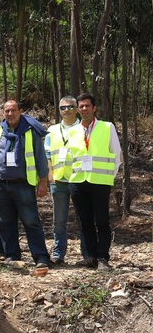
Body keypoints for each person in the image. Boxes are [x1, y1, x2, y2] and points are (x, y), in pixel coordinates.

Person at [0, 100, 52, 268]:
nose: (10, 114)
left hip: (23, 185)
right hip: (0, 184)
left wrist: (43, 181)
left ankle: (41, 257)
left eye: (13, 110)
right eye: (6, 111)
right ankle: (12, 255)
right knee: (5, 222)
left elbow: (40, 157)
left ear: (20, 111)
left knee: (31, 222)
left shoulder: (30, 131)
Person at [69, 92, 122, 270]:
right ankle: (90, 256)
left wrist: (109, 177)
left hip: (100, 182)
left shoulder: (107, 127)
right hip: (78, 182)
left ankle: (102, 258)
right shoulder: (73, 131)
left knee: (101, 221)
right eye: (81, 106)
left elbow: (117, 155)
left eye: (87, 106)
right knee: (84, 221)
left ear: (94, 108)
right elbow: (70, 157)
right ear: (77, 110)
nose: (84, 109)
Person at [46, 96, 83, 265]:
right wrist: (50, 174)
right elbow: (47, 154)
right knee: (59, 221)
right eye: (62, 107)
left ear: (76, 109)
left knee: (83, 218)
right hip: (59, 180)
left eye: (70, 107)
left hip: (79, 179)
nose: (66, 110)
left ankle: (87, 253)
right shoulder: (52, 130)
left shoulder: (84, 128)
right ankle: (58, 254)